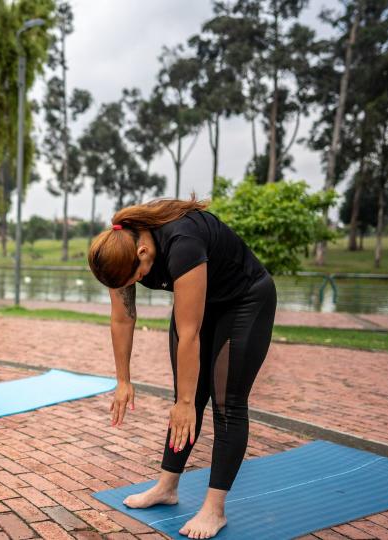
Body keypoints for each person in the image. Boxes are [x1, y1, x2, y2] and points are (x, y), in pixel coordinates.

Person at [88, 197, 276, 539]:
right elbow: (122, 316)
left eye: (137, 276)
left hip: (245, 301)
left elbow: (189, 334)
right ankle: (167, 487)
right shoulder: (119, 251)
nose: (136, 283)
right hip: (201, 305)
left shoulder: (182, 243)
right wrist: (123, 380)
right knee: (184, 399)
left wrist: (187, 403)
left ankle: (214, 509)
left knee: (225, 403)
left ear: (143, 253)